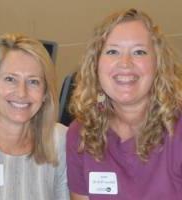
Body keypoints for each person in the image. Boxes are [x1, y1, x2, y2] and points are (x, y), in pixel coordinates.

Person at [66, 8, 182, 200]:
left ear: (158, 64)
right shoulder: (80, 135)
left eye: (139, 52)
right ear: (95, 64)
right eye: (113, 51)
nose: (125, 63)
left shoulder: (177, 129)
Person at [0, 33, 69, 200]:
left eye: (33, 81)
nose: (22, 93)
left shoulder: (60, 142)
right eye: (10, 79)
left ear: (45, 93)